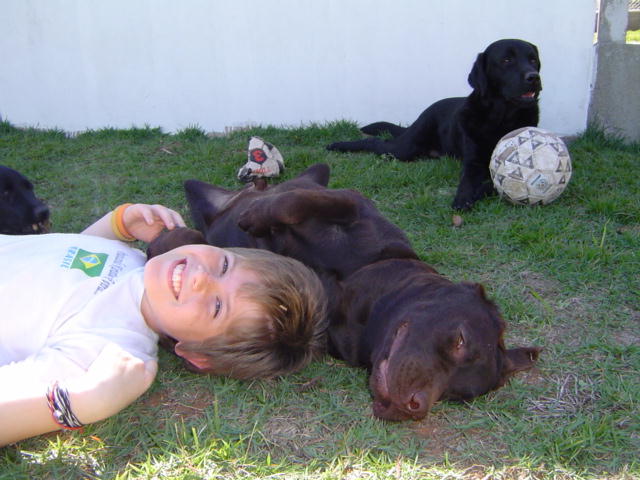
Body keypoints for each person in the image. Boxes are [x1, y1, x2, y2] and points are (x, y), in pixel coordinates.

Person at [0, 203, 327, 446]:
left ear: (197, 353)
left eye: (217, 306)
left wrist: (81, 404)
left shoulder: (109, 350)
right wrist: (117, 226)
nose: (201, 277)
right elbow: (62, 272)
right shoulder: (133, 261)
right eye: (224, 265)